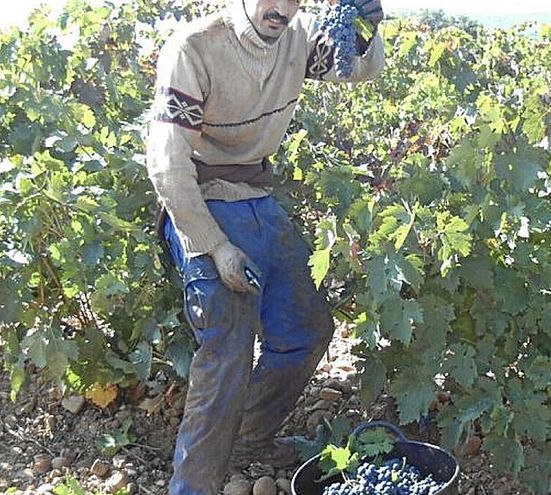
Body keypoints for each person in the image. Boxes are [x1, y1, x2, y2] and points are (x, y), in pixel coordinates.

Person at [145, 0, 385, 492]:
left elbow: (356, 69)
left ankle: (248, 432)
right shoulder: (195, 48)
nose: (280, 8)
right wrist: (214, 246)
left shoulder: (297, 38)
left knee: (307, 329)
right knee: (227, 346)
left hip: (258, 198)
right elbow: (167, 164)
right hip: (202, 203)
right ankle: (194, 484)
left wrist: (363, 27)